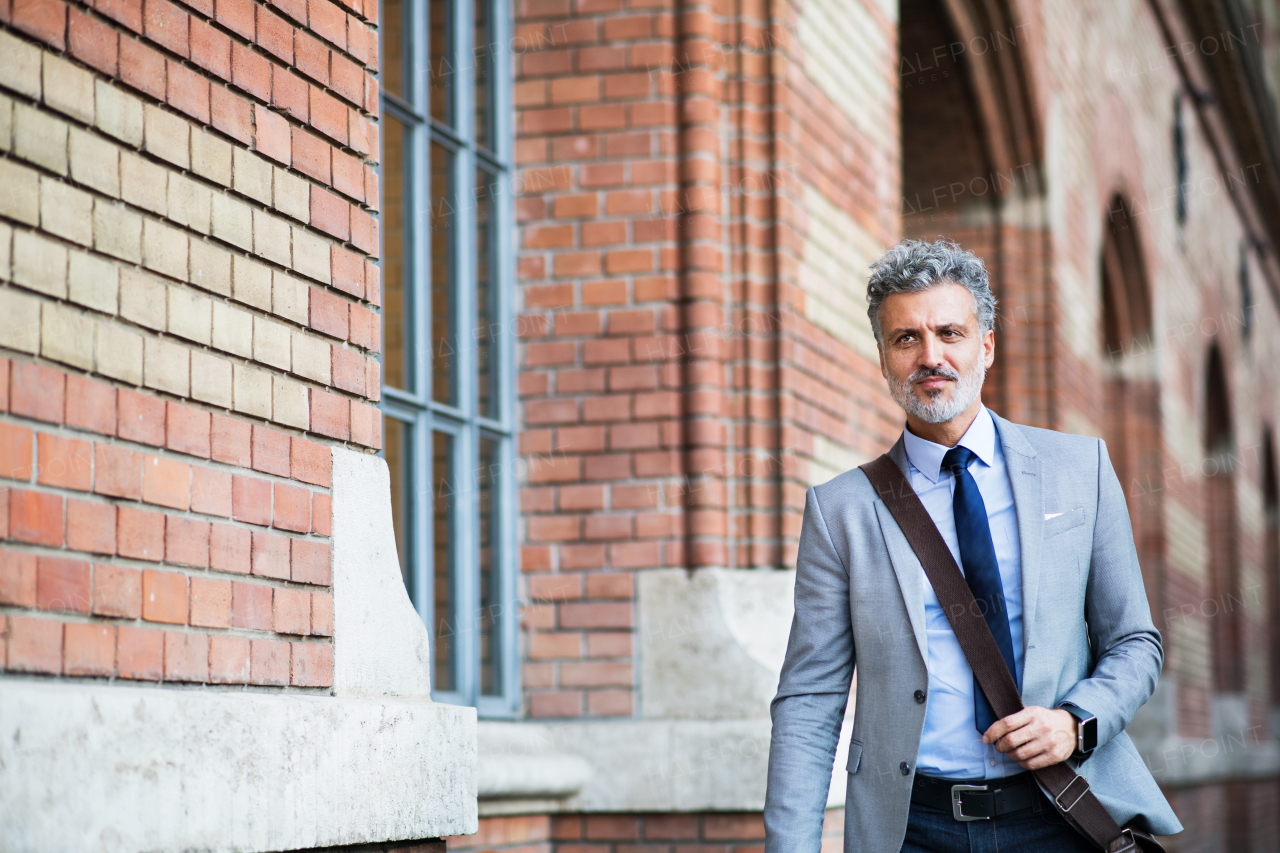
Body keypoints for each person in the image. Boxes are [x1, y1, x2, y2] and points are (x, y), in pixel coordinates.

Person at [762, 239, 1182, 852]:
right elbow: (809, 699)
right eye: (906, 339)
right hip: (915, 830)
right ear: (883, 358)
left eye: (950, 333)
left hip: (1060, 814)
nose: (930, 356)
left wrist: (1075, 722)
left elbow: (1134, 643)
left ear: (986, 345)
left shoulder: (1079, 468)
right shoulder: (839, 512)